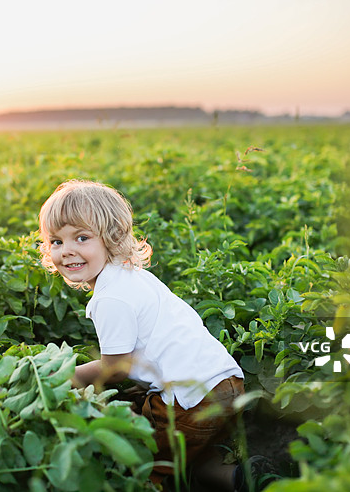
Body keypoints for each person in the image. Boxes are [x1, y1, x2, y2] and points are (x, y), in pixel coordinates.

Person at [38, 179, 264, 491]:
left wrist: (59, 376)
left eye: (81, 237)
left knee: (140, 461)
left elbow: (114, 368)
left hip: (191, 402)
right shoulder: (133, 276)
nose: (67, 251)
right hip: (227, 385)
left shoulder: (110, 299)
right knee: (190, 457)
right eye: (56, 241)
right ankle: (245, 477)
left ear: (112, 239)